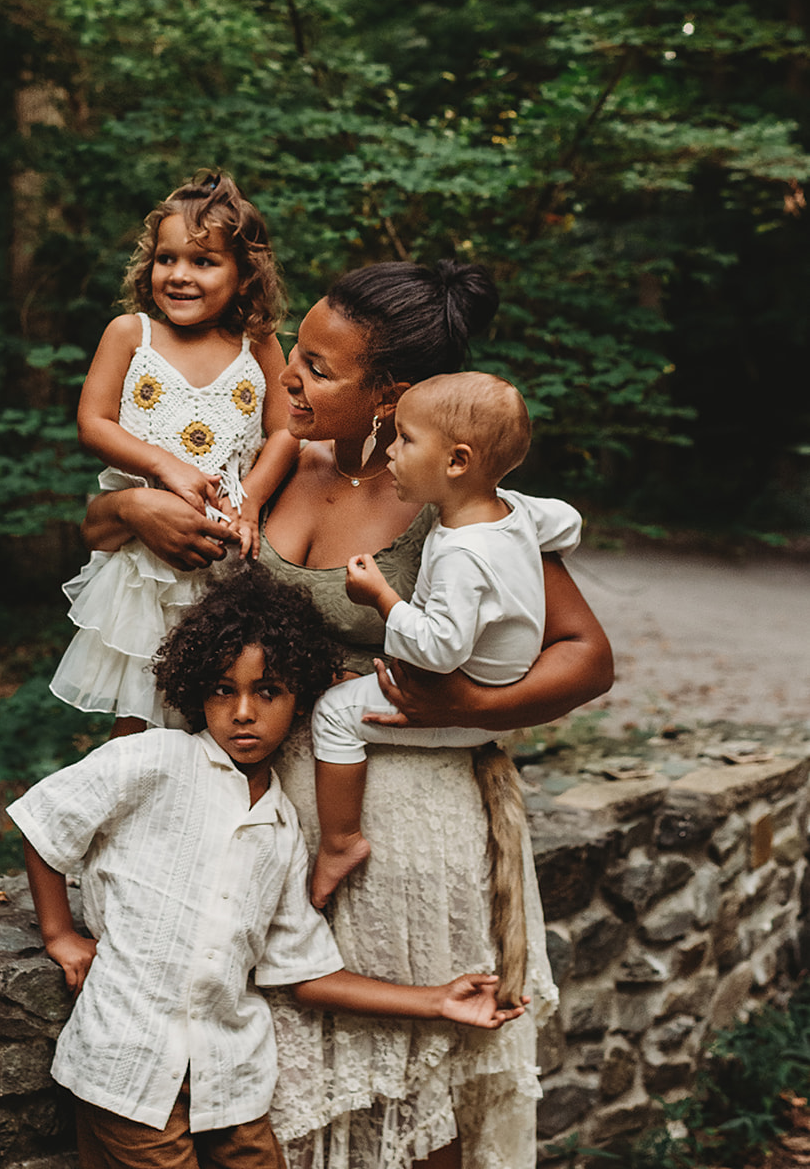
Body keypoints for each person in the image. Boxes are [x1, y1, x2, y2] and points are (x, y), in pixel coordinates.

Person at [78, 256, 614, 1169]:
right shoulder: (281, 460)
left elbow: (587, 655)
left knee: (410, 1103)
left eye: (319, 369)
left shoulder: (455, 497)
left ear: (389, 395)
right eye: (300, 356)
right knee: (282, 1099)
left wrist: (475, 701)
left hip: (403, 833)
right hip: (268, 821)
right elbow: (103, 541)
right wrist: (130, 501)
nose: (286, 372)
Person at [9, 566, 527, 1169]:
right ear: (196, 690)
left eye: (268, 691)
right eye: (224, 689)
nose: (243, 711)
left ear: (301, 697)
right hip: (127, 1062)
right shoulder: (153, 760)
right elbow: (43, 818)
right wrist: (60, 935)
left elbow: (303, 973)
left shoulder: (283, 830)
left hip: (229, 1083)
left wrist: (438, 1001)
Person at [309, 371, 581, 935]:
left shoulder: (463, 554)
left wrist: (381, 597)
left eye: (405, 440)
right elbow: (570, 523)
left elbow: (437, 649)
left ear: (457, 462)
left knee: (333, 715)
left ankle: (340, 843)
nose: (391, 451)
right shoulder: (512, 511)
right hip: (498, 681)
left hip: (459, 702)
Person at [51, 170, 300, 726]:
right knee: (138, 716)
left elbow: (286, 431)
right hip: (145, 570)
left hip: (231, 558)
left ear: (243, 276)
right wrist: (165, 463)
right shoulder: (130, 334)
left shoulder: (256, 345)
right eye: (167, 259)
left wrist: (253, 497)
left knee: (225, 709)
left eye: (203, 262)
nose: (180, 275)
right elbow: (93, 423)